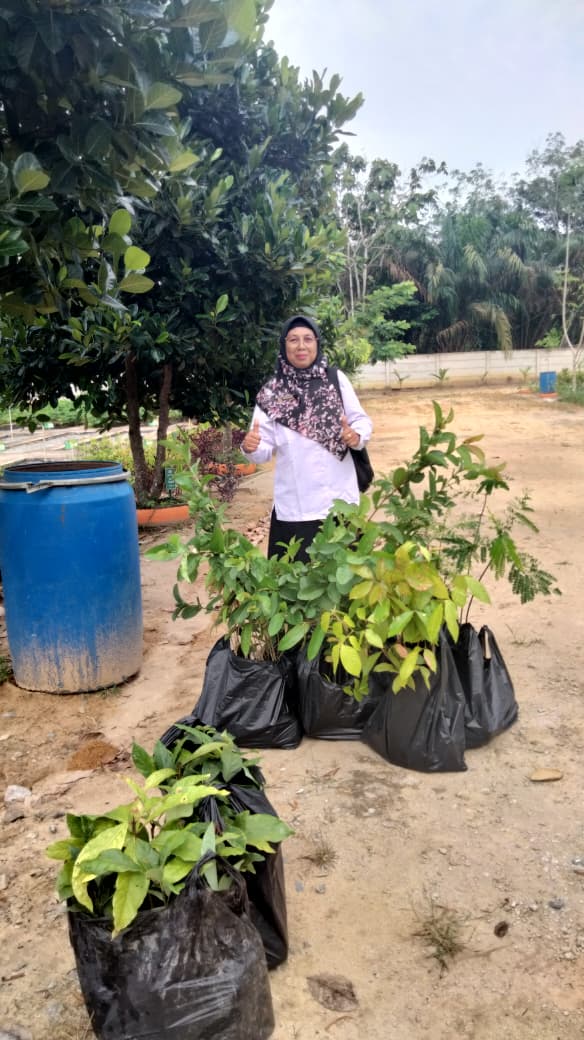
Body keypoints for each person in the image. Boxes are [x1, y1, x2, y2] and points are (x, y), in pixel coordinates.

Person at [241, 314, 373, 564]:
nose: (301, 346)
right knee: (295, 589)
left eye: (307, 339)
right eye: (293, 340)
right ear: (283, 346)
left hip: (340, 501)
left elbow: (362, 422)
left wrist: (355, 436)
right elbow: (262, 448)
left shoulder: (335, 380)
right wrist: (251, 447)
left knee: (345, 585)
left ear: (317, 344)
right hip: (296, 506)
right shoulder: (273, 392)